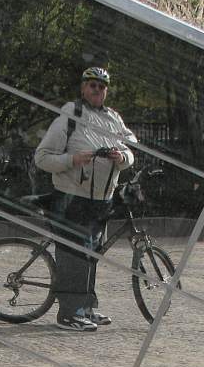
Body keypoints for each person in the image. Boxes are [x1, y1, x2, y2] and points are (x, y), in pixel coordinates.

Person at [34, 67, 137, 331]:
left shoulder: (113, 119)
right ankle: (69, 314)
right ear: (82, 88)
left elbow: (131, 149)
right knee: (73, 257)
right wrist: (72, 159)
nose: (97, 90)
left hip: (102, 200)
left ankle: (87, 307)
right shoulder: (71, 115)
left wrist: (122, 158)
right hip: (71, 198)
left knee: (91, 256)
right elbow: (42, 157)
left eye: (102, 86)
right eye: (92, 85)